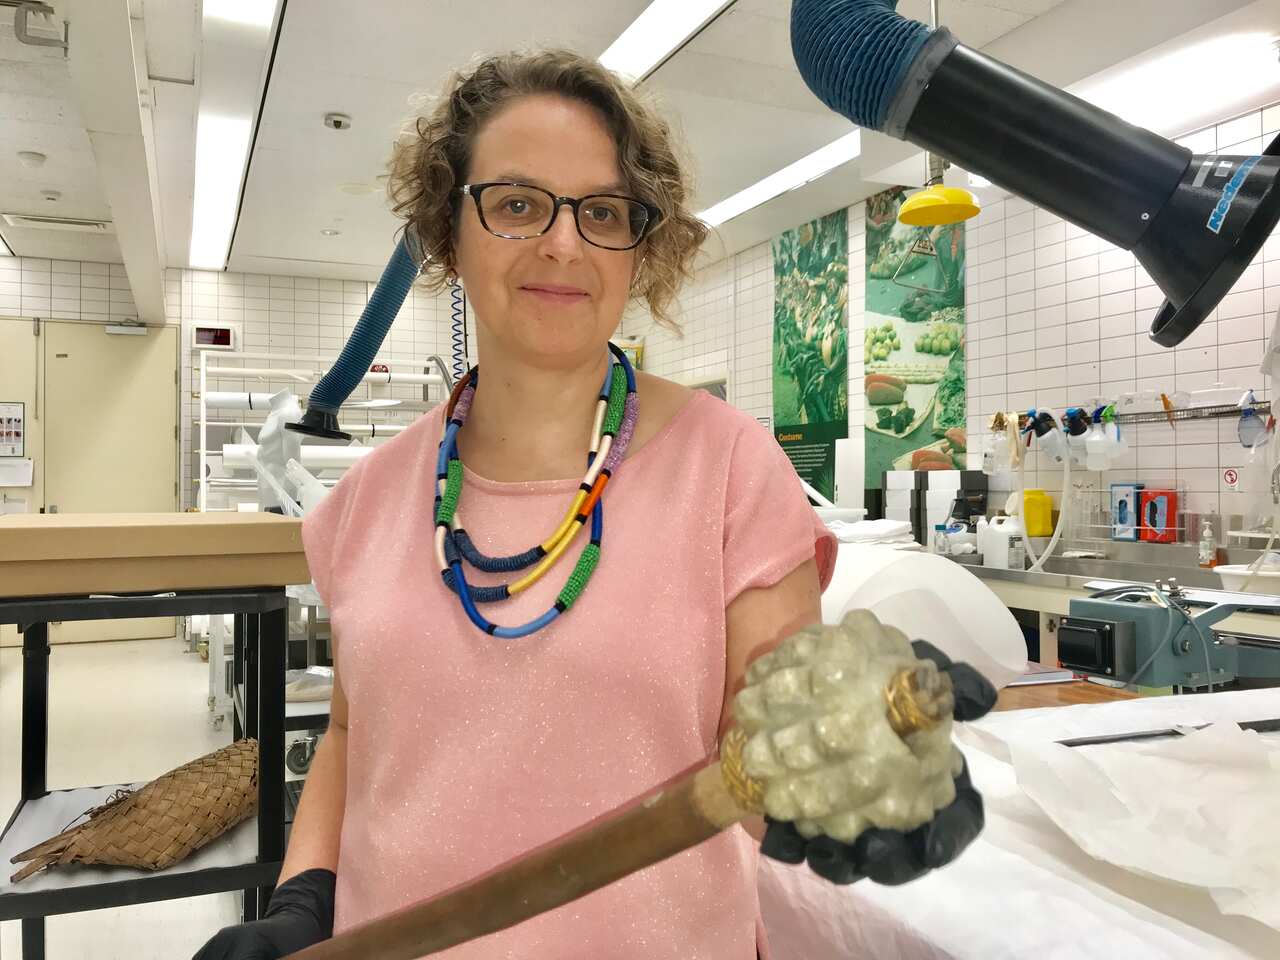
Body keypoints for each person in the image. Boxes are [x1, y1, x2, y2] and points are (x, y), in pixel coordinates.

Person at [194, 49, 992, 960]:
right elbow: (349, 732)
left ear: (638, 245)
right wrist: (304, 898)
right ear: (448, 229)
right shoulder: (365, 505)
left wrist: (855, 763)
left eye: (603, 212)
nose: (564, 244)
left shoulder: (730, 471)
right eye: (519, 203)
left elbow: (773, 743)